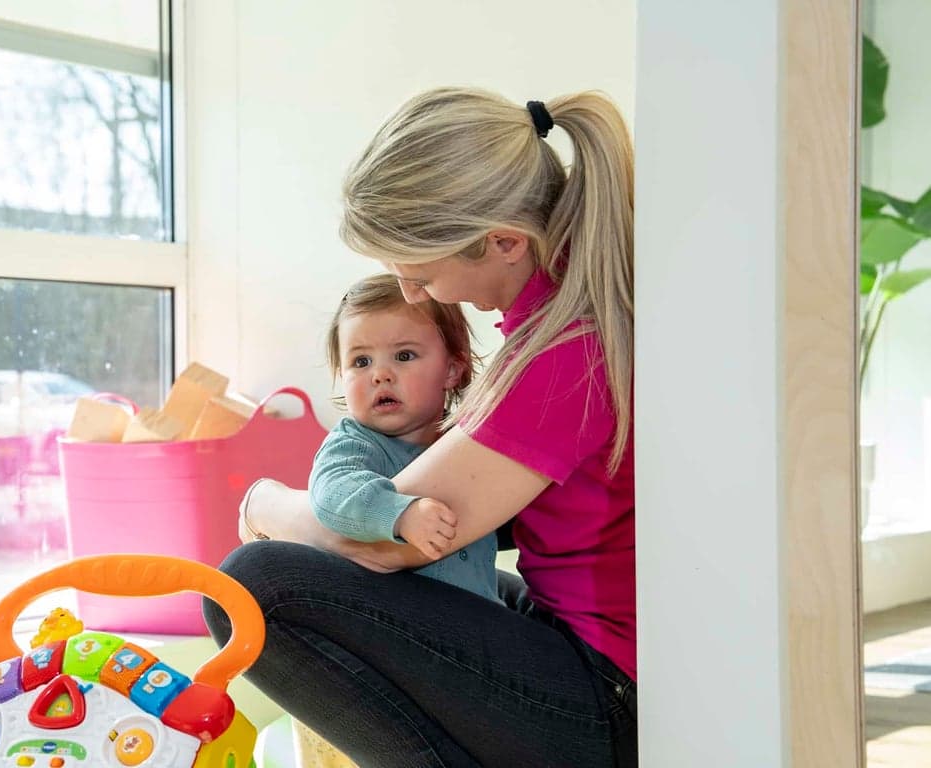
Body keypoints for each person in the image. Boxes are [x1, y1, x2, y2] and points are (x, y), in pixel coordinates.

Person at [205, 86, 636, 768]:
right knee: (447, 584)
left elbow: (376, 546)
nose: (410, 294)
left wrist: (261, 502)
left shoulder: (561, 360)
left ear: (503, 243)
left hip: (606, 695)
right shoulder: (567, 329)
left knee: (257, 585)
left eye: (420, 275)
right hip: (591, 646)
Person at [311, 272, 497, 602]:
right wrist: (399, 514)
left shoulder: (465, 442)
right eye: (361, 361)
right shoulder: (356, 442)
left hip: (478, 614)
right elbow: (332, 493)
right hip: (403, 622)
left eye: (404, 356)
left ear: (451, 370)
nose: (380, 375)